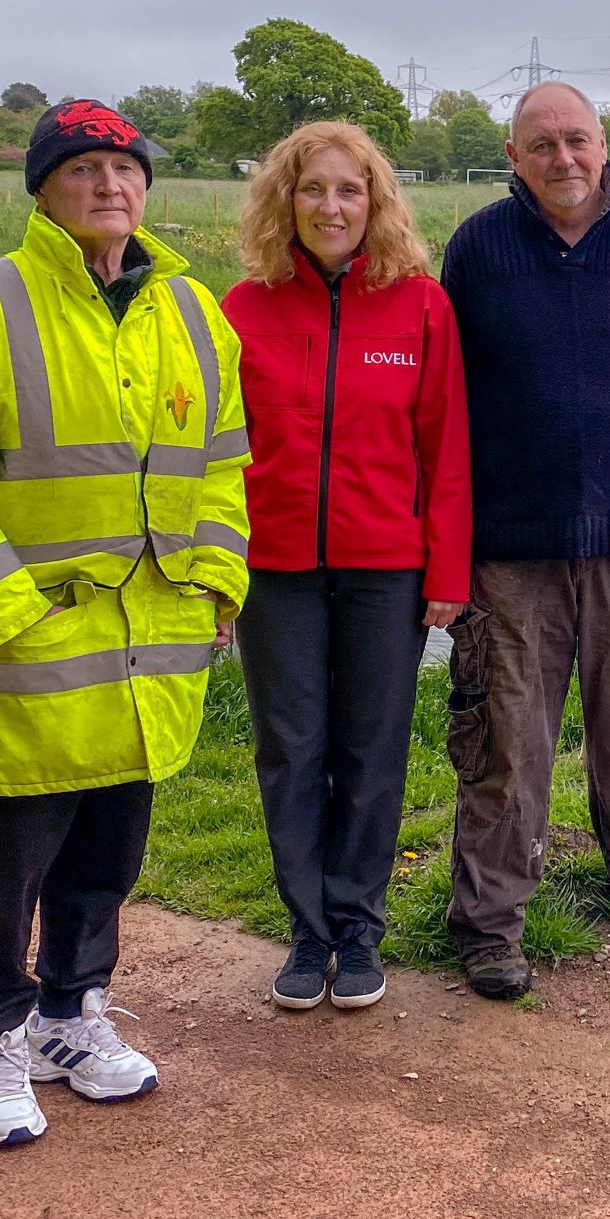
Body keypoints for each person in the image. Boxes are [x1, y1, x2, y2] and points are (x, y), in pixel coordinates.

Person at [0, 100, 250, 1148]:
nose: (109, 185)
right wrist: (3, 611)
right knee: (4, 874)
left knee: (104, 859)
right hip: (30, 660)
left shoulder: (190, 310)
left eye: (125, 167)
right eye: (83, 168)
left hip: (144, 655)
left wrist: (218, 581)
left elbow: (221, 462)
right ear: (42, 189)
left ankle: (69, 1017)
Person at [439, 81, 610, 1000]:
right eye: (543, 144)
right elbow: (451, 390)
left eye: (578, 141)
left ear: (605, 146)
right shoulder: (478, 248)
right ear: (513, 157)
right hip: (511, 540)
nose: (564, 159)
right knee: (505, 732)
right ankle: (489, 921)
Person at [223, 121, 470, 1013]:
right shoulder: (242, 309)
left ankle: (359, 926)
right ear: (284, 199)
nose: (332, 206)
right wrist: (216, 571)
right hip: (274, 566)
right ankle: (307, 929)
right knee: (291, 749)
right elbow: (216, 453)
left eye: (350, 190)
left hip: (387, 567)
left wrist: (447, 571)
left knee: (371, 751)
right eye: (314, 188)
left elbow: (447, 448)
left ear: (377, 204)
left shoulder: (421, 307)